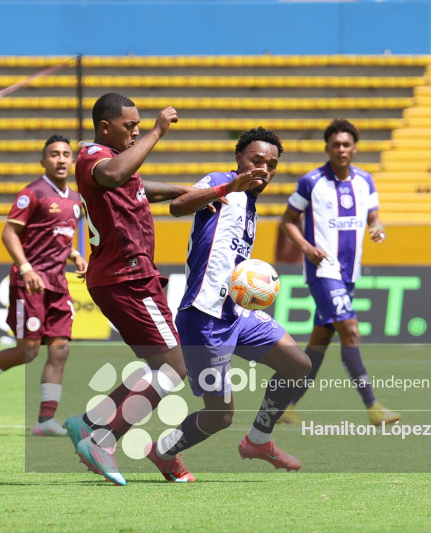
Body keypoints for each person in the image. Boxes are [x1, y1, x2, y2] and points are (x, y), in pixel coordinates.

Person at [141, 127, 312, 481]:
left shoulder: (251, 205)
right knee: (220, 415)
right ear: (239, 159)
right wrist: (225, 188)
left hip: (237, 313)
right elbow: (176, 206)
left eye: (272, 164)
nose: (264, 168)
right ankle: (163, 451)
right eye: (257, 160)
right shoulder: (221, 182)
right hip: (204, 317)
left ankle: (259, 439)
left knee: (298, 364)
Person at [62, 93, 204, 486]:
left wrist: (178, 190)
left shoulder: (115, 163)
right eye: (131, 125)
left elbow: (138, 186)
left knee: (158, 365)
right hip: (128, 277)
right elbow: (114, 175)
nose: (137, 130)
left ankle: (87, 422)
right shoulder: (93, 157)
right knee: (176, 366)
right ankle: (103, 440)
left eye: (141, 124)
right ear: (106, 127)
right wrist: (158, 131)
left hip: (125, 276)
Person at [0, 135, 88, 436]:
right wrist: (26, 268)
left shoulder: (76, 199)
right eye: (54, 154)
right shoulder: (33, 193)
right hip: (30, 283)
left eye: (66, 154)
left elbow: (56, 241)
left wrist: (75, 255)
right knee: (27, 351)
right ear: (44, 162)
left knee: (60, 349)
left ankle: (45, 421)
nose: (61, 159)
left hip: (57, 284)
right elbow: (9, 233)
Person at [278, 118, 400, 426]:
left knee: (318, 344)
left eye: (346, 144)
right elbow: (288, 221)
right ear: (327, 148)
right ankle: (373, 406)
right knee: (351, 331)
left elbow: (374, 217)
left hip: (349, 273)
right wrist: (307, 249)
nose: (341, 149)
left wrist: (377, 228)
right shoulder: (311, 181)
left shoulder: (365, 181)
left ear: (355, 148)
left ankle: (284, 405)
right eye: (336, 144)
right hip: (323, 272)